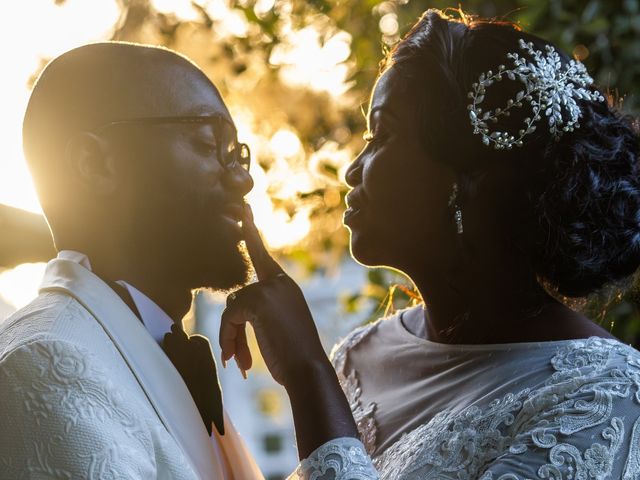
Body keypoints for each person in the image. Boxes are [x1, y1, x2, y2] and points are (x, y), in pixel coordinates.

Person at [222, 9, 640, 480]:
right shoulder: (358, 357)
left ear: (468, 177)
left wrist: (308, 374)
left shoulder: (600, 396)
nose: (352, 169)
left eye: (383, 134)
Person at [0, 42, 370, 479]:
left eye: (237, 154)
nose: (243, 178)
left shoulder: (139, 345)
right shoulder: (48, 362)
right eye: (209, 142)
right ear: (95, 163)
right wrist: (310, 374)